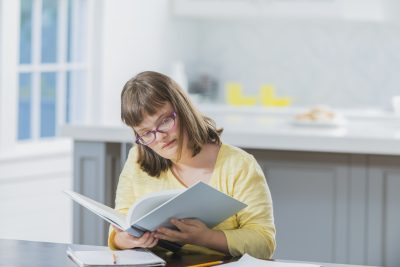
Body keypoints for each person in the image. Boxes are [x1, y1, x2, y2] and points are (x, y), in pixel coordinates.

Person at [108, 71, 276, 259]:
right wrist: (124, 240)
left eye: (165, 121)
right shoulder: (137, 159)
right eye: (146, 133)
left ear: (183, 109)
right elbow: (120, 224)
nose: (160, 137)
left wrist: (207, 238)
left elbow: (264, 242)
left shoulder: (239, 166)